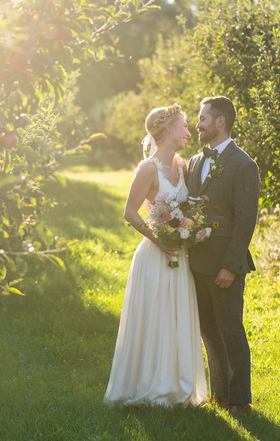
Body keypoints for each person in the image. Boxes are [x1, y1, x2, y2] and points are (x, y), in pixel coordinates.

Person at [104, 103, 207, 407]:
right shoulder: (148, 169)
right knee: (156, 318)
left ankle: (178, 386)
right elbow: (129, 212)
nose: (189, 132)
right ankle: (152, 385)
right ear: (168, 129)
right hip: (155, 254)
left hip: (180, 254)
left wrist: (192, 224)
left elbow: (187, 206)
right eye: (184, 126)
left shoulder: (181, 165)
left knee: (177, 317)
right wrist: (160, 240)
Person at [186, 96, 260, 417]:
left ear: (220, 121)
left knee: (230, 329)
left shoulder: (244, 165)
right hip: (197, 262)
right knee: (208, 330)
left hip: (224, 265)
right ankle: (220, 394)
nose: (197, 124)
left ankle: (240, 400)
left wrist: (230, 265)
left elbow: (246, 221)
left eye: (202, 118)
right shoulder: (194, 162)